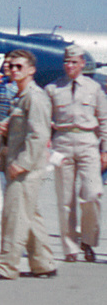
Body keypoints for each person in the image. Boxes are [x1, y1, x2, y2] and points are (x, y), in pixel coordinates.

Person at [0, 50, 56, 280]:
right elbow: (24, 125)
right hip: (19, 163)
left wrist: (22, 164)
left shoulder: (35, 97)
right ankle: (43, 264)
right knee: (29, 215)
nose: (14, 70)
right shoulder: (22, 96)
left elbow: (39, 135)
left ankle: (6, 267)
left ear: (31, 70)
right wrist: (6, 127)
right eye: (11, 66)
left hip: (25, 167)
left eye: (19, 66)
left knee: (14, 216)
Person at [45, 44, 107, 263]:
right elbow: (44, 120)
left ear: (82, 63)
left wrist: (105, 151)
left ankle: (88, 241)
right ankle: (70, 248)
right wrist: (46, 146)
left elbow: (104, 120)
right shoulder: (53, 88)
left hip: (88, 142)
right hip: (62, 142)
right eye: (66, 62)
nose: (69, 66)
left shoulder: (94, 88)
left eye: (74, 62)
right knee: (65, 199)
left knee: (93, 194)